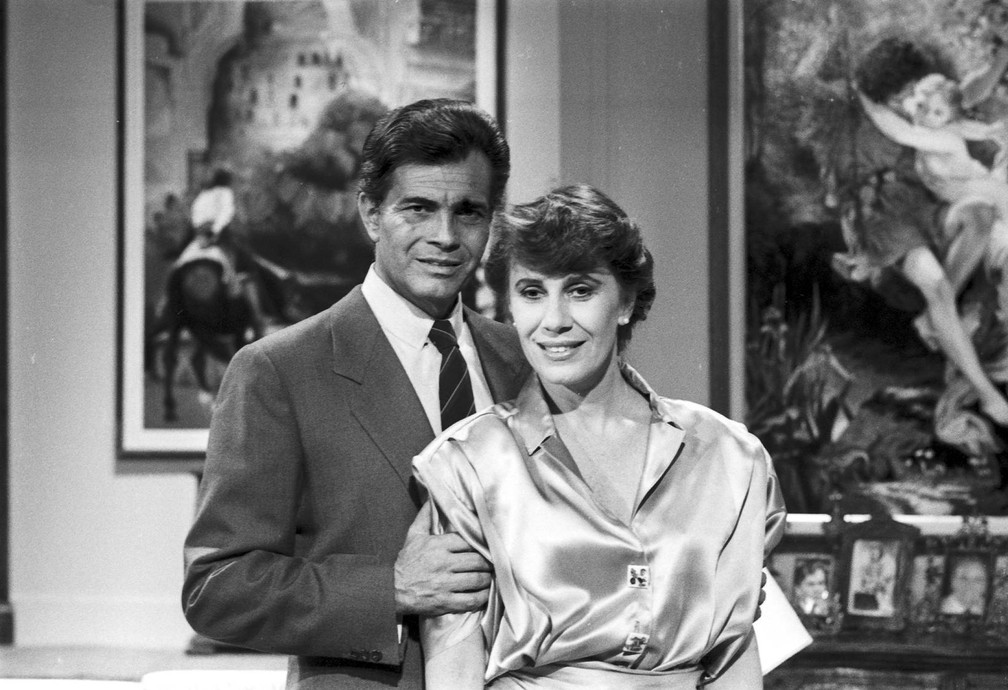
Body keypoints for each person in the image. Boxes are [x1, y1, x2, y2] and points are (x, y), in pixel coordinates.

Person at [182, 99, 531, 689]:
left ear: (491, 223)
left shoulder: (523, 361)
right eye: (418, 209)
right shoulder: (278, 371)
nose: (445, 237)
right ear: (371, 213)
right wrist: (389, 588)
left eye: (468, 212)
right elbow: (217, 589)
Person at [412, 184, 787, 688]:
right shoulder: (468, 463)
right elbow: (453, 666)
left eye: (580, 291)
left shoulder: (730, 458)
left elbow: (734, 654)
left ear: (626, 302)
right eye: (532, 292)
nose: (554, 321)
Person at [857, 66, 1008, 426]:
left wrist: (866, 101)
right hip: (953, 206)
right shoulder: (940, 126)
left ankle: (976, 361)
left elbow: (902, 131)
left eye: (936, 112)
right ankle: (982, 386)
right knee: (974, 242)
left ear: (947, 117)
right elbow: (963, 120)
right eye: (923, 106)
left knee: (986, 233)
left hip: (984, 195)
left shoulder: (940, 138)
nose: (926, 115)